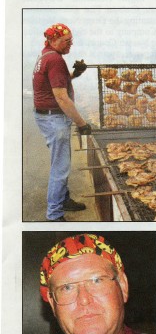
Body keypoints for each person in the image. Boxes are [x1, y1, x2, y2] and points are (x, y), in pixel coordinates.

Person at [23, 234, 156, 334]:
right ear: (52, 304)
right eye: (66, 288)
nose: (84, 299)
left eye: (96, 281)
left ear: (123, 287)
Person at [33, 23, 91, 221]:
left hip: (47, 116)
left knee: (61, 162)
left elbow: (56, 84)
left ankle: (64, 199)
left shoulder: (45, 55)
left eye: (71, 41)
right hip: (54, 118)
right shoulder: (55, 60)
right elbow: (62, 98)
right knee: (60, 167)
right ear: (53, 40)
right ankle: (54, 215)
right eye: (66, 41)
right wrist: (82, 123)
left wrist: (75, 74)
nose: (70, 45)